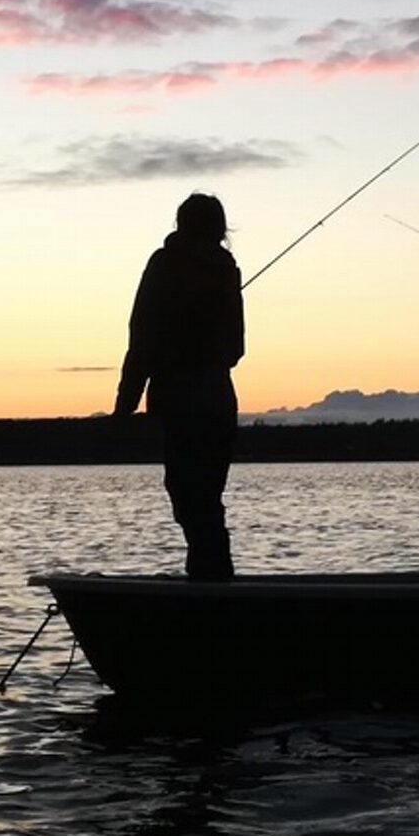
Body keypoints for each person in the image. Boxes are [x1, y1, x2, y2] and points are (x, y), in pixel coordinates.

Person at [114, 193, 245, 580]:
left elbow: (140, 340)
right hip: (219, 400)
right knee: (206, 501)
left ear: (179, 223)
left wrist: (125, 407)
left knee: (189, 498)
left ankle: (209, 588)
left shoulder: (163, 265)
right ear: (219, 228)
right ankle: (214, 582)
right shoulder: (226, 269)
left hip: (180, 400)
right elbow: (236, 349)